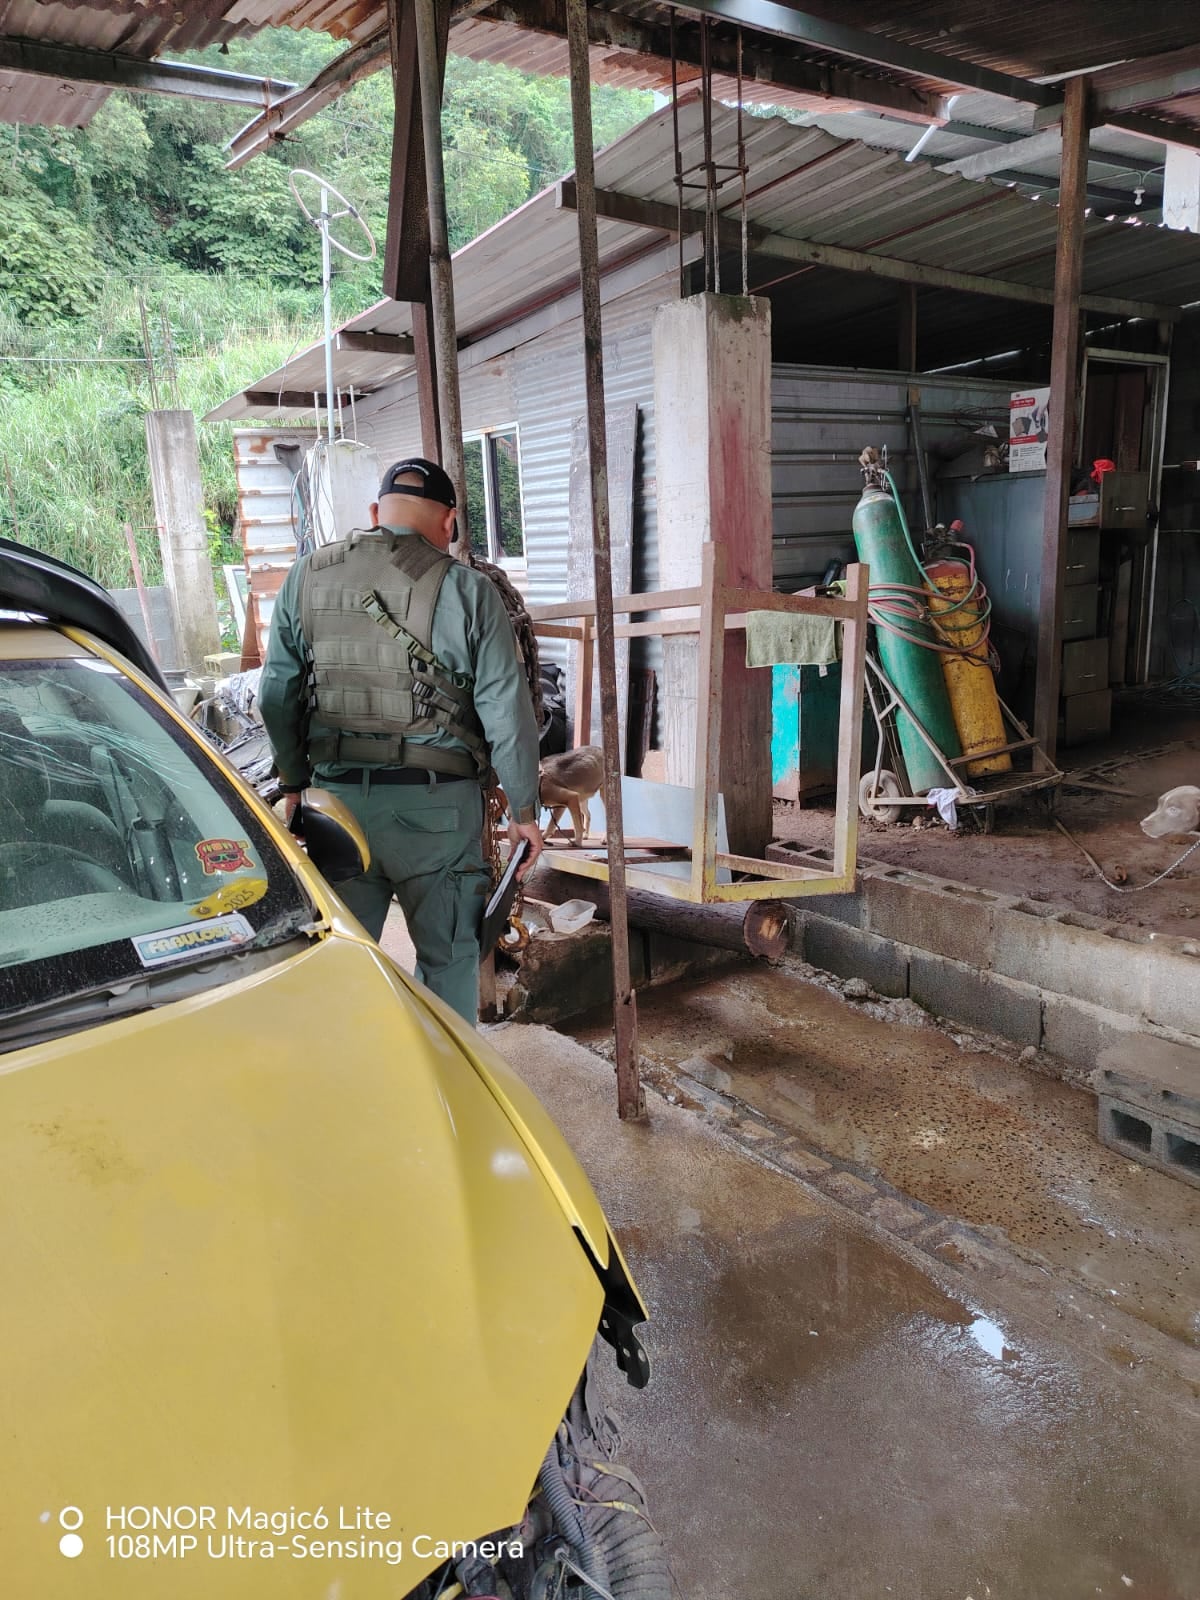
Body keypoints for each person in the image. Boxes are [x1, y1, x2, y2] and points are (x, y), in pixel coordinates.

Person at [259, 457, 543, 1022]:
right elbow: (507, 711)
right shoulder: (468, 590)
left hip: (337, 808)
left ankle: (357, 1085)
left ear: (374, 513)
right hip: (436, 813)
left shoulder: (306, 577)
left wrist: (293, 783)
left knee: (344, 963)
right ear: (450, 523)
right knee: (449, 960)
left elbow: (275, 695)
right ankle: (446, 1091)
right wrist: (525, 809)